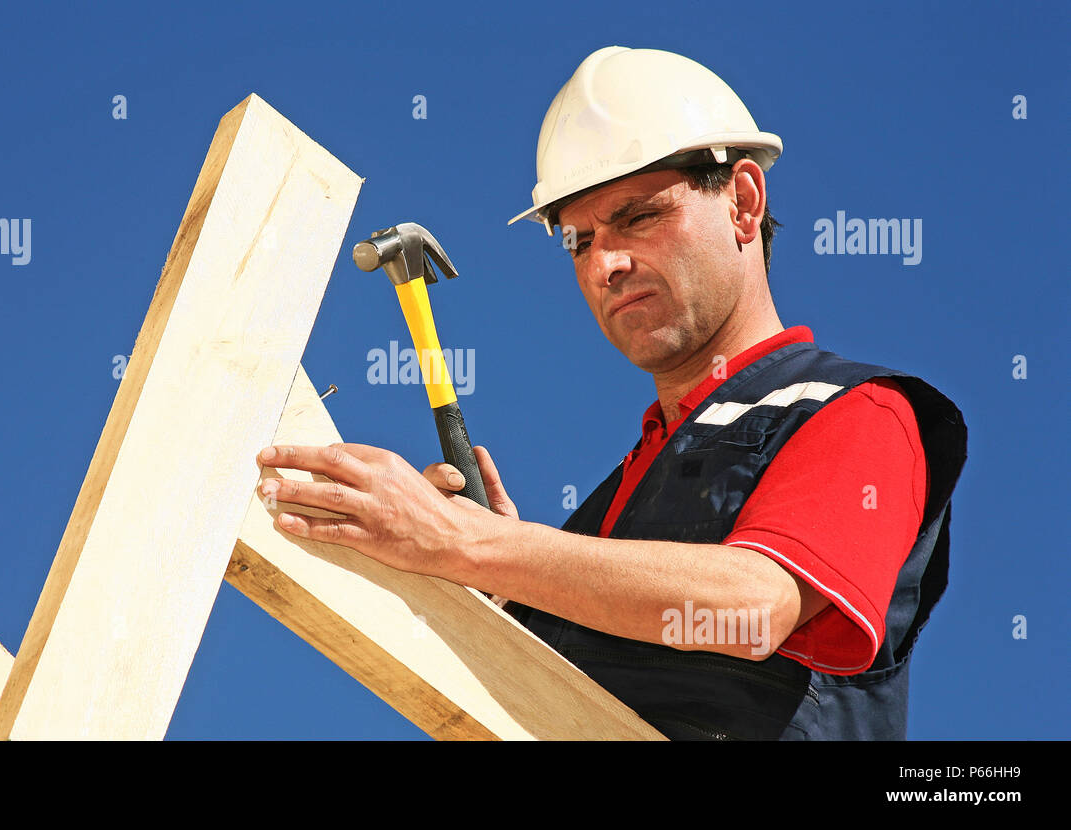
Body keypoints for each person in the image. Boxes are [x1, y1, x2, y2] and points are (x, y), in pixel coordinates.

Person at [254, 46, 967, 740]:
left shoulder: (858, 411)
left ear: (744, 204)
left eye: (639, 216)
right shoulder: (622, 497)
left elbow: (752, 608)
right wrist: (504, 592)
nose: (607, 263)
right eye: (578, 240)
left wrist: (473, 542)